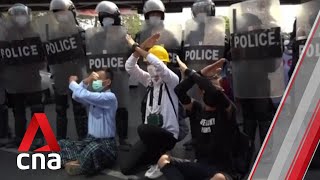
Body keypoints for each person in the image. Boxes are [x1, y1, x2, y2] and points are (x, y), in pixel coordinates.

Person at [157, 56, 237, 180]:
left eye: (217, 88)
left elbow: (213, 92)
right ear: (201, 91)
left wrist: (191, 72)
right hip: (200, 166)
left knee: (219, 178)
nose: (211, 91)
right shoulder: (197, 109)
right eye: (206, 88)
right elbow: (179, 90)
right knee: (164, 160)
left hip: (223, 172)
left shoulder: (228, 111)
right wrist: (201, 73)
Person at [120, 34, 179, 179]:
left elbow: (159, 65)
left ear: (164, 63)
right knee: (126, 168)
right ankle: (159, 158)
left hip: (168, 135)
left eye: (151, 63)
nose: (150, 67)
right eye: (147, 64)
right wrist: (138, 51)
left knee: (143, 128)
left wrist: (136, 46)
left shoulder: (172, 81)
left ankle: (160, 161)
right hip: (150, 134)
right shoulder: (149, 81)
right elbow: (129, 67)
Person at [59, 69, 117, 176]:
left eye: (97, 80)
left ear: (108, 82)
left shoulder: (110, 97)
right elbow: (76, 96)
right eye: (93, 80)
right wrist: (86, 81)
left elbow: (83, 94)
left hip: (106, 143)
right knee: (62, 143)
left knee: (93, 149)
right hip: (90, 140)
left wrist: (72, 82)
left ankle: (77, 163)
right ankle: (80, 163)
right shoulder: (94, 97)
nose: (94, 82)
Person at [2, 3, 45, 149]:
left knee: (37, 109)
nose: (20, 18)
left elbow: (42, 58)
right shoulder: (6, 35)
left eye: (22, 14)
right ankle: (20, 137)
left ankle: (39, 137)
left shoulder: (35, 33)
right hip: (14, 81)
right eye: (17, 15)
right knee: (18, 110)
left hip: (32, 79)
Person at [49, 0, 88, 140]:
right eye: (57, 13)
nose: (60, 15)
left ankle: (83, 139)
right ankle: (60, 140)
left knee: (79, 109)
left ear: (71, 12)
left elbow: (87, 55)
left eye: (63, 12)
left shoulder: (80, 32)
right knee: (60, 110)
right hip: (59, 76)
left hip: (77, 75)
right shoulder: (51, 34)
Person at [94, 1, 131, 149]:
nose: (106, 20)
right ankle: (104, 139)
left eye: (109, 17)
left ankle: (122, 139)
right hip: (101, 78)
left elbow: (129, 55)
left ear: (116, 18)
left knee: (121, 108)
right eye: (103, 17)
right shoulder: (94, 37)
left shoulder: (124, 37)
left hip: (119, 77)